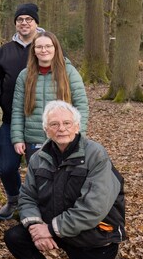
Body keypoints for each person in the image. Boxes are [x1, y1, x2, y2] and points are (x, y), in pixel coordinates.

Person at [5, 101, 135, 259]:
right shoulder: (38, 158)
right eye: (54, 124)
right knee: (15, 237)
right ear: (46, 129)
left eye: (67, 123)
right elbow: (27, 196)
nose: (61, 128)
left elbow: (93, 208)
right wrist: (35, 226)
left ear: (77, 126)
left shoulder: (96, 155)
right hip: (57, 227)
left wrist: (49, 229)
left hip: (94, 235)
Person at [0, 3, 44, 220]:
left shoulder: (46, 45)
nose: (24, 23)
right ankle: (14, 198)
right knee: (6, 167)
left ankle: (36, 206)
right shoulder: (5, 51)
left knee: (41, 168)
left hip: (40, 121)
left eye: (28, 19)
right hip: (10, 119)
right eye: (20, 19)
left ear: (36, 23)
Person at [11, 32, 89, 162]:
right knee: (40, 179)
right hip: (34, 140)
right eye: (39, 47)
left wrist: (78, 134)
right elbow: (18, 109)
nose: (44, 50)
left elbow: (81, 106)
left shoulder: (70, 73)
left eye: (48, 46)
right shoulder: (24, 76)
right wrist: (17, 138)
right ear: (34, 51)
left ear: (55, 49)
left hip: (64, 138)